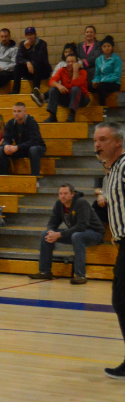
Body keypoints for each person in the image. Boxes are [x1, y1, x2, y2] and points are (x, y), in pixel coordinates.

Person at [93, 122, 125, 378]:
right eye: (96, 140)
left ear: (118, 142)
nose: (97, 144)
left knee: (121, 299)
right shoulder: (111, 171)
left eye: (103, 139)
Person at [27, 184, 105, 284]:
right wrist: (51, 232)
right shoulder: (59, 204)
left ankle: (80, 275)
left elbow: (81, 227)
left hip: (94, 233)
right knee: (45, 234)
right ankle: (44, 272)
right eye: (60, 194)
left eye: (65, 193)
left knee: (77, 236)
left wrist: (59, 235)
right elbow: (52, 223)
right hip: (76, 233)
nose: (62, 196)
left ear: (72, 194)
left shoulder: (81, 203)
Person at [0, 102, 46, 176]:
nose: (16, 114)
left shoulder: (32, 122)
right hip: (21, 148)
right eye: (14, 111)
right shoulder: (10, 123)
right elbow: (6, 138)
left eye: (19, 111)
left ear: (25, 112)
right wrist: (6, 145)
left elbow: (34, 141)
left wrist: (17, 147)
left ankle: (35, 178)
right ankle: (3, 176)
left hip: (37, 148)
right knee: (1, 149)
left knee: (33, 149)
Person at [43, 54, 90, 123]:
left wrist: (75, 70)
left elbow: (75, 84)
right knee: (53, 89)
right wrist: (59, 86)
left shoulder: (83, 72)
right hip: (67, 97)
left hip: (81, 99)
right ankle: (52, 116)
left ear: (77, 63)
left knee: (75, 88)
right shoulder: (62, 70)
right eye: (68, 62)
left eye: (72, 62)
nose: (70, 63)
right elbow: (51, 81)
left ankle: (72, 115)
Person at [14, 27, 52, 105]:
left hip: (42, 71)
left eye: (31, 34)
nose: (29, 37)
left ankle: (36, 89)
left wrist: (28, 49)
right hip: (30, 71)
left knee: (37, 64)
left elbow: (39, 59)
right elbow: (18, 59)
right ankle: (15, 90)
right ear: (25, 36)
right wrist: (27, 62)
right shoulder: (22, 44)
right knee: (17, 67)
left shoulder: (42, 44)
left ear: (35, 35)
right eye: (27, 35)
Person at [91, 36, 122, 106]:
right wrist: (95, 81)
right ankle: (92, 109)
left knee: (101, 87)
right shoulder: (98, 59)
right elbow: (97, 74)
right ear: (101, 48)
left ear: (112, 47)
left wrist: (102, 80)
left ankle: (103, 108)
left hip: (114, 83)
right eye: (104, 46)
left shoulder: (116, 59)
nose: (106, 48)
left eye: (108, 46)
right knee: (90, 86)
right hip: (101, 82)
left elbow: (116, 75)